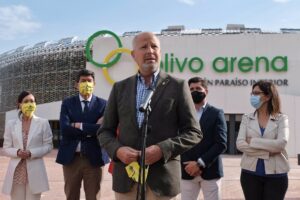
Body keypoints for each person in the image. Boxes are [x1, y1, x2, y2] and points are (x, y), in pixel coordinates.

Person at [98, 32, 203, 200]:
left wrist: (163, 149)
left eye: (154, 46)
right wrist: (117, 151)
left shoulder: (178, 86)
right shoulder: (120, 88)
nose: (150, 51)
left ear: (160, 52)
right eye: (144, 47)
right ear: (133, 55)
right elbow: (104, 131)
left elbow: (194, 132)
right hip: (127, 180)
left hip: (163, 181)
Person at [56, 69, 107, 200]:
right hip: (71, 158)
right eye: (83, 81)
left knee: (93, 197)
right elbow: (65, 129)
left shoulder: (103, 104)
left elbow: (103, 130)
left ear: (94, 84)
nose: (86, 83)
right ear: (76, 84)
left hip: (94, 159)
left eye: (89, 81)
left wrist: (79, 125)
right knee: (71, 196)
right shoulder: (67, 103)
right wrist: (92, 129)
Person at [236, 80, 289, 200]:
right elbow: (240, 144)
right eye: (251, 93)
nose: (252, 96)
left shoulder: (281, 119)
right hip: (249, 174)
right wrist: (267, 152)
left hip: (276, 175)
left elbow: (281, 144)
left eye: (256, 93)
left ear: (267, 96)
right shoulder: (246, 118)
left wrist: (253, 142)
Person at [180, 77, 227, 200]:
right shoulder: (182, 114)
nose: (195, 91)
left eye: (198, 88)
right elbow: (177, 140)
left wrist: (200, 163)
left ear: (206, 91)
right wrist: (189, 165)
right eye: (191, 89)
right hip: (187, 170)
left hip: (210, 171)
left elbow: (221, 143)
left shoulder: (217, 113)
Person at [2, 91, 53, 200]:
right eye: (26, 101)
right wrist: (17, 152)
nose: (29, 104)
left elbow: (48, 146)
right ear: (19, 104)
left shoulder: (43, 123)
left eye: (32, 101)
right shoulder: (11, 124)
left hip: (35, 171)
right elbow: (6, 147)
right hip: (17, 171)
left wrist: (31, 153)